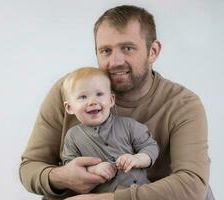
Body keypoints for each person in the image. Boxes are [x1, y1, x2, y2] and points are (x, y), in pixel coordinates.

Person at [20, 5, 214, 200]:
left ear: (153, 51)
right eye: (105, 51)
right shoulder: (69, 91)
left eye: (127, 48)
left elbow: (192, 185)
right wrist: (62, 177)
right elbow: (30, 167)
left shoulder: (182, 104)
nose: (115, 61)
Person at [61, 67, 159, 193]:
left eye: (99, 94)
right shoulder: (72, 136)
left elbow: (151, 147)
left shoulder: (128, 125)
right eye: (83, 97)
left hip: (138, 192)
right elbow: (70, 167)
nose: (92, 101)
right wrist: (93, 169)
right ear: (69, 107)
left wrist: (137, 159)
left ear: (111, 100)